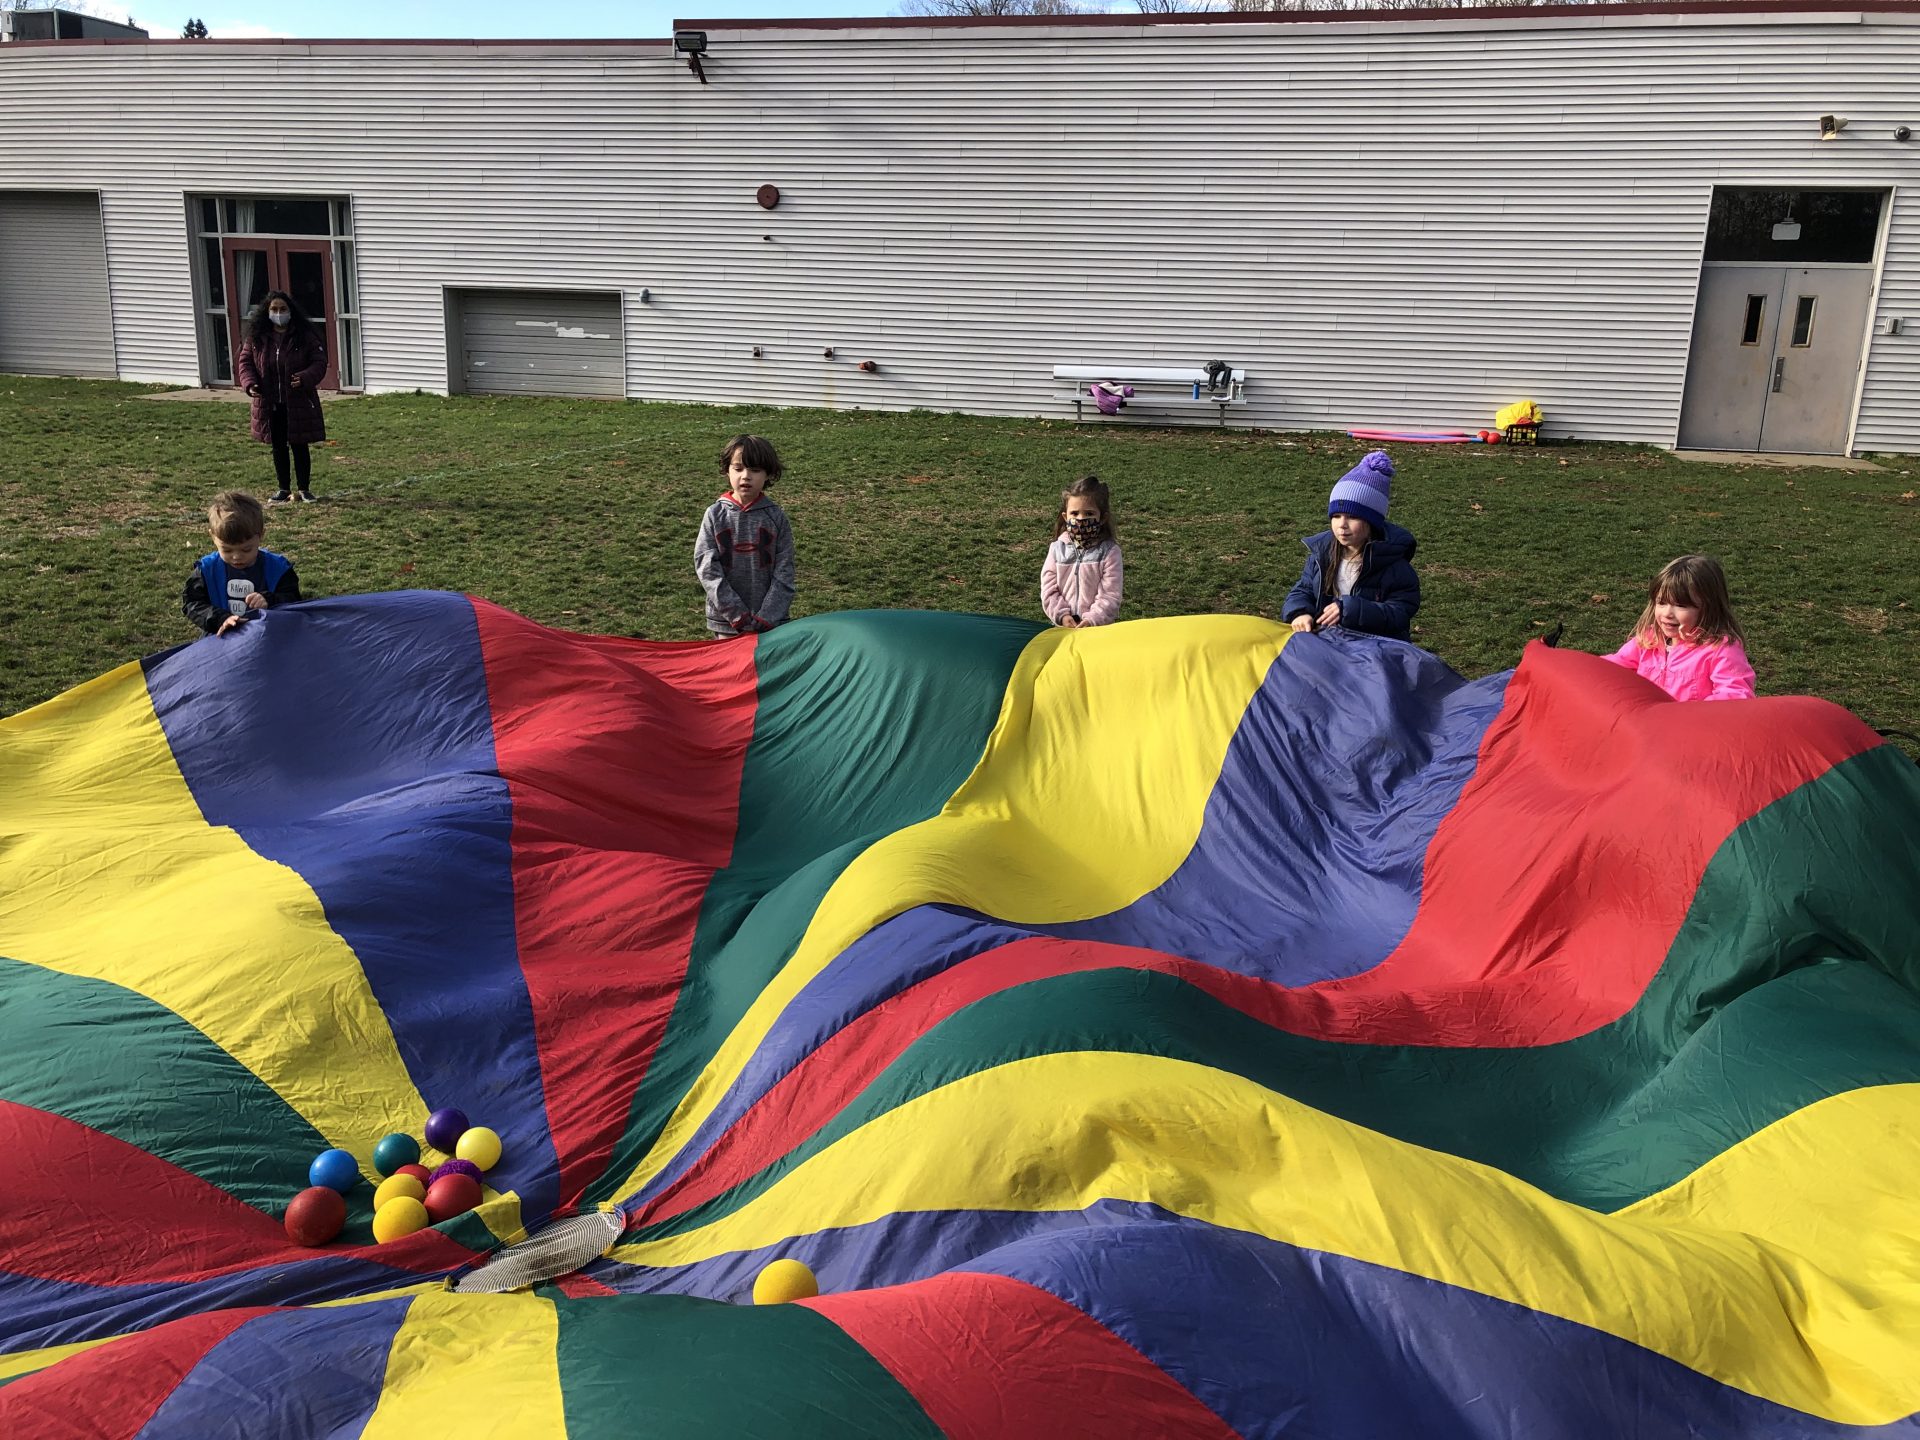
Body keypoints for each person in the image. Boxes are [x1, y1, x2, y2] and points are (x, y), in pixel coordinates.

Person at [1284, 449, 1421, 641]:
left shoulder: (1393, 564)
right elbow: (1303, 590)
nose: (1342, 524)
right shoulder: (1321, 555)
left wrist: (1351, 610)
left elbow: (1399, 613)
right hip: (1330, 642)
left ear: (1372, 522)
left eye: (1353, 517)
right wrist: (1299, 612)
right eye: (1336, 516)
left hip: (1377, 648)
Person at [1602, 554, 1755, 700]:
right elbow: (1610, 668)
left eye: (1681, 605)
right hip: (1650, 717)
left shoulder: (1720, 649)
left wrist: (1691, 712)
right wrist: (1588, 670)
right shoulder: (1648, 641)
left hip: (1690, 719)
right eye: (1661, 603)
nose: (1667, 613)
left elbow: (1736, 695)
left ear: (1708, 608)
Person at [694, 434, 797, 637]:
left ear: (768, 474)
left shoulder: (776, 517)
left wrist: (768, 615)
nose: (746, 476)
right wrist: (735, 613)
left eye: (755, 470)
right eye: (738, 468)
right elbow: (707, 568)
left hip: (769, 624)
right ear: (727, 470)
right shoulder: (714, 515)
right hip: (727, 623)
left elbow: (785, 569)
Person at [236, 289, 327, 504]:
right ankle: (283, 489)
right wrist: (250, 384)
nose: (278, 313)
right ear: (267, 312)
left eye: (283, 309)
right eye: (274, 309)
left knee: (299, 444)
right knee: (278, 446)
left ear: (290, 311)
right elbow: (245, 363)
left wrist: (304, 378)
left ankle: (304, 489)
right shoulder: (257, 338)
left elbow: (319, 362)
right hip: (270, 402)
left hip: (298, 401)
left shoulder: (304, 336)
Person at [182, 490, 302, 637]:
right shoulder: (206, 570)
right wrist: (220, 619)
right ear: (213, 537)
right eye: (226, 550)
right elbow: (192, 604)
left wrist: (270, 600)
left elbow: (294, 601)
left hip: (268, 638)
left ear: (261, 535)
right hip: (220, 640)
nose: (236, 557)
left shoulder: (278, 569)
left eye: (246, 549)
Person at [1040, 474, 1124, 628]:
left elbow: (1110, 594)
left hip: (1097, 629)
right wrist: (1062, 616)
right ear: (1065, 517)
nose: (1080, 519)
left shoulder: (1110, 552)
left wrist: (1093, 619)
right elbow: (1048, 590)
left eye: (1089, 514)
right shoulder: (1057, 549)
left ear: (1102, 518)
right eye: (1074, 513)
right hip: (1063, 629)